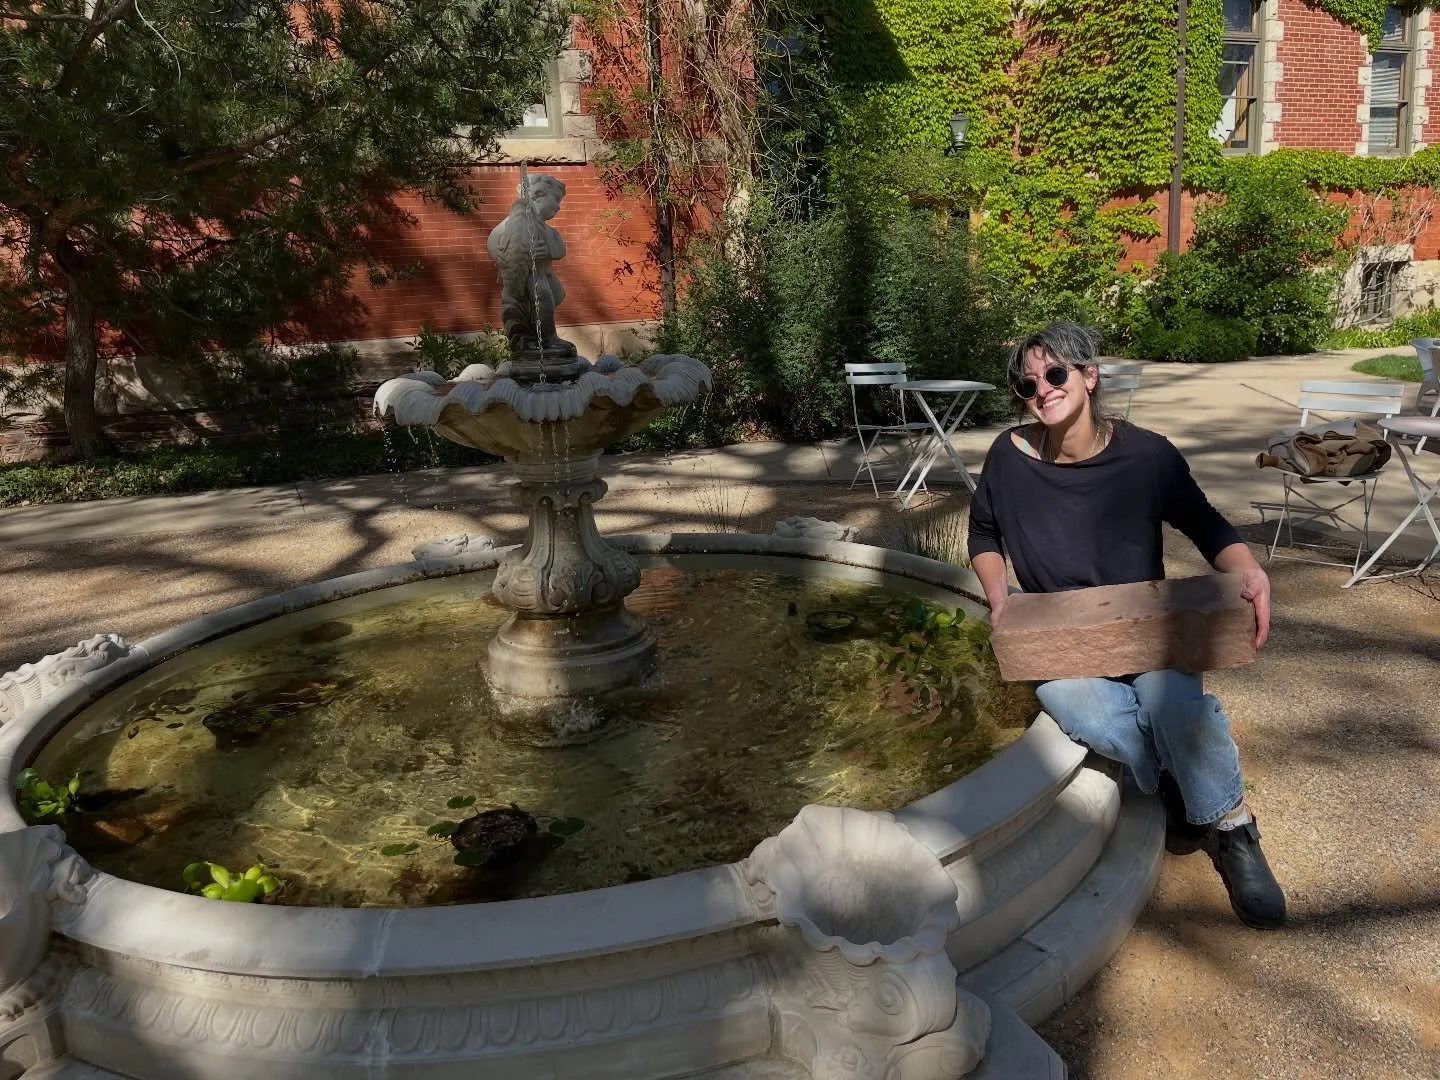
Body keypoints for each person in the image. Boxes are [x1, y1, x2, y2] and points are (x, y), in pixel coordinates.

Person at [966, 321, 1286, 929]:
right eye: (1027, 382)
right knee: (1082, 711)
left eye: (1056, 373)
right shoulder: (1007, 457)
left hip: (1149, 628)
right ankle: (1173, 772)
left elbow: (1207, 524)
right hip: (1062, 638)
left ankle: (1231, 827)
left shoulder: (1148, 455)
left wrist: (1249, 571)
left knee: (1176, 707)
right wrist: (999, 592)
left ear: (1089, 377)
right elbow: (982, 533)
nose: (1042, 389)